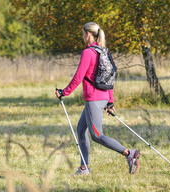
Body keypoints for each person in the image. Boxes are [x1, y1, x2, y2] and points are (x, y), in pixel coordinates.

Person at [55, 22, 140, 175]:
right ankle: (84, 168)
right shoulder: (103, 51)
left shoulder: (88, 53)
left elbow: (78, 77)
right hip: (100, 97)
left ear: (88, 34)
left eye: (83, 34)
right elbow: (110, 78)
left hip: (93, 100)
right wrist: (110, 100)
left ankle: (129, 153)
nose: (82, 37)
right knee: (81, 131)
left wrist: (64, 92)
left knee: (97, 136)